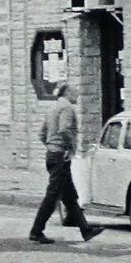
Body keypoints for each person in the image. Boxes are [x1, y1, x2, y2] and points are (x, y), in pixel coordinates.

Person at [29, 82, 102, 244]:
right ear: (67, 92)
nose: (77, 94)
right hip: (61, 156)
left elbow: (42, 133)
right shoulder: (67, 108)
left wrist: (50, 146)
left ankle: (86, 230)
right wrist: (69, 147)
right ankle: (36, 230)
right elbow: (64, 129)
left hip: (52, 154)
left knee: (69, 197)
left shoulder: (53, 108)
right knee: (53, 195)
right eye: (75, 91)